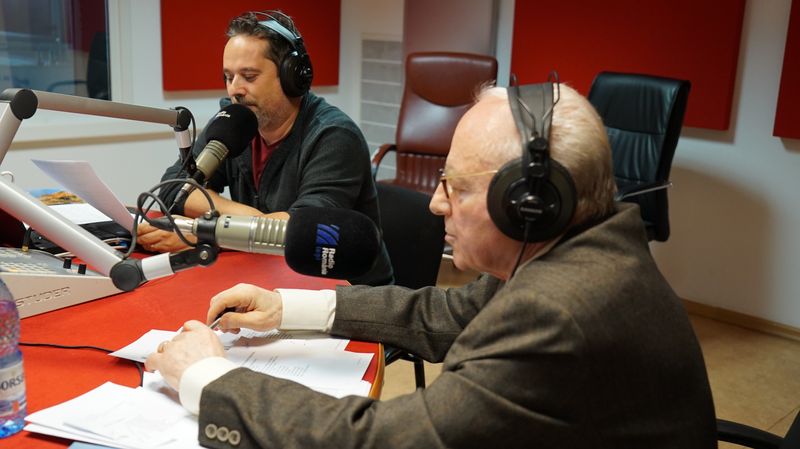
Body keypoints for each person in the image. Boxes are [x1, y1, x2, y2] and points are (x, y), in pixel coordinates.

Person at [145, 83, 717, 448]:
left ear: (527, 203)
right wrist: (285, 308)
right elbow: (441, 313)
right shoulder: (575, 251)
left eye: (457, 187)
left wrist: (209, 378)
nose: (436, 204)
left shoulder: (558, 313)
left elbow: (386, 440)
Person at [137, 11, 393, 286]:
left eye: (249, 76)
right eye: (229, 77)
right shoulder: (235, 122)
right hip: (267, 272)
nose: (234, 90)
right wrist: (256, 224)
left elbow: (299, 231)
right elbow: (175, 188)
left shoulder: (334, 137)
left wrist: (206, 232)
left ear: (291, 77)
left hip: (345, 292)